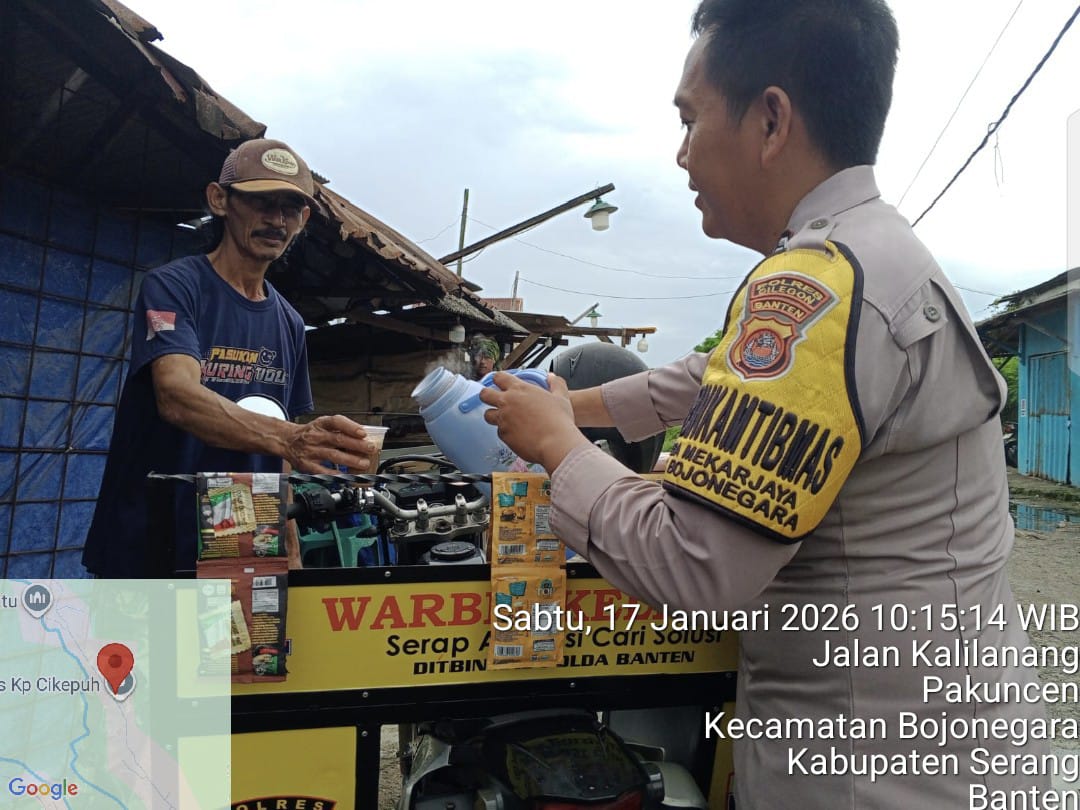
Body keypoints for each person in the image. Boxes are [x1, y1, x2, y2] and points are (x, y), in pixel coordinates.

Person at [479, 2, 1053, 807]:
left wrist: (560, 451)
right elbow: (711, 377)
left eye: (690, 120)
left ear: (772, 121)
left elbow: (694, 565)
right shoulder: (866, 256)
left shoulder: (820, 284)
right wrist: (574, 405)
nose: (681, 154)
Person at [83, 138, 373, 578]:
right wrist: (291, 438)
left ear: (303, 221)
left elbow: (281, 455)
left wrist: (289, 543)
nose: (276, 219)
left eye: (290, 209)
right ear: (220, 200)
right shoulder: (174, 288)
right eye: (261, 202)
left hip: (244, 541)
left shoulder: (290, 323)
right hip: (152, 538)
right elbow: (177, 396)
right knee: (146, 628)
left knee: (237, 628)